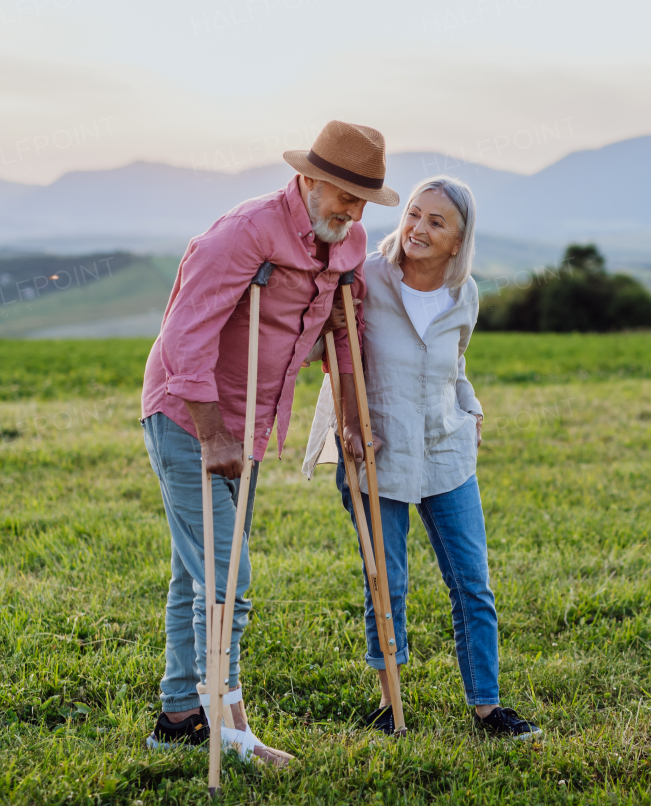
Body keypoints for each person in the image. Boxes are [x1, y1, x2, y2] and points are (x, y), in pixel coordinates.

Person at [140, 120, 399, 762]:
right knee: (228, 576)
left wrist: (346, 417)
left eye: (362, 200)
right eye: (342, 194)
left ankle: (179, 718)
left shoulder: (348, 242)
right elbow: (183, 338)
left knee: (196, 574)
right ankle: (230, 726)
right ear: (308, 179)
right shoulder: (244, 233)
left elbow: (344, 331)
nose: (352, 210)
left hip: (250, 428)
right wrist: (212, 434)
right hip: (189, 417)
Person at [304, 176, 542, 739]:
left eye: (437, 222)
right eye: (414, 214)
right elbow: (328, 350)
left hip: (445, 451)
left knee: (472, 583)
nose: (418, 228)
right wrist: (345, 423)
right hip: (376, 448)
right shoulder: (364, 279)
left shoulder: (466, 295)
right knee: (386, 583)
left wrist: (472, 408)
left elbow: (456, 364)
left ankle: (488, 707)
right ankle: (391, 707)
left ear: (459, 241)